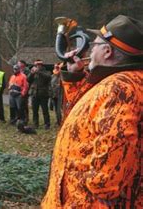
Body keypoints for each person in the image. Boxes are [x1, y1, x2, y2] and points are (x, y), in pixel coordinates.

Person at [42, 15, 143, 208]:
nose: (89, 50)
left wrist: (88, 191)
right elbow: (87, 119)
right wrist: (75, 77)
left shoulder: (119, 89)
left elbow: (110, 174)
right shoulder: (119, 83)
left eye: (94, 44)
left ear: (107, 51)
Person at [27, 59, 52, 129]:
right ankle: (35, 124)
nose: (37, 66)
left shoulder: (46, 72)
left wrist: (39, 72)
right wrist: (32, 73)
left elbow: (48, 77)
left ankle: (47, 124)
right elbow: (28, 80)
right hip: (34, 94)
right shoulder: (33, 73)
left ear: (41, 65)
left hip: (43, 94)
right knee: (35, 110)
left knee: (45, 110)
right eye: (36, 65)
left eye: (38, 65)